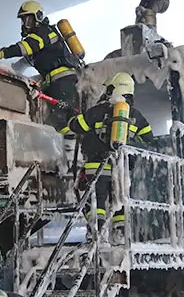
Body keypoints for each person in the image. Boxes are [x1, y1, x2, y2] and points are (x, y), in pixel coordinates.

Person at [64, 72, 153, 238]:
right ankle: (120, 234)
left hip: (96, 166)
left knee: (96, 200)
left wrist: (71, 116)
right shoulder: (137, 116)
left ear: (114, 89)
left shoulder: (98, 111)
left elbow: (76, 126)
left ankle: (96, 235)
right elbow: (148, 141)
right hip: (121, 170)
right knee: (118, 201)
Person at [0, 0, 80, 133]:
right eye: (23, 21)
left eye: (28, 20)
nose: (25, 25)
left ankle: (69, 143)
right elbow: (26, 61)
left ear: (38, 17)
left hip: (62, 81)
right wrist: (10, 69)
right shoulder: (39, 43)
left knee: (61, 120)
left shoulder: (44, 32)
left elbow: (23, 48)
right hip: (55, 82)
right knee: (54, 121)